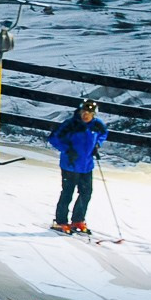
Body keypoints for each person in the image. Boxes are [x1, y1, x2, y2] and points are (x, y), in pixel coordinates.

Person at [48, 98, 109, 234]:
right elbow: (53, 138)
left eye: (89, 113)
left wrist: (97, 145)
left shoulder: (97, 125)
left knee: (86, 193)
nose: (85, 115)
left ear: (94, 114)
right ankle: (61, 221)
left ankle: (78, 220)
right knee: (67, 193)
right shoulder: (71, 124)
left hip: (87, 165)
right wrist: (67, 149)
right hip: (70, 165)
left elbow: (104, 134)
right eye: (83, 112)